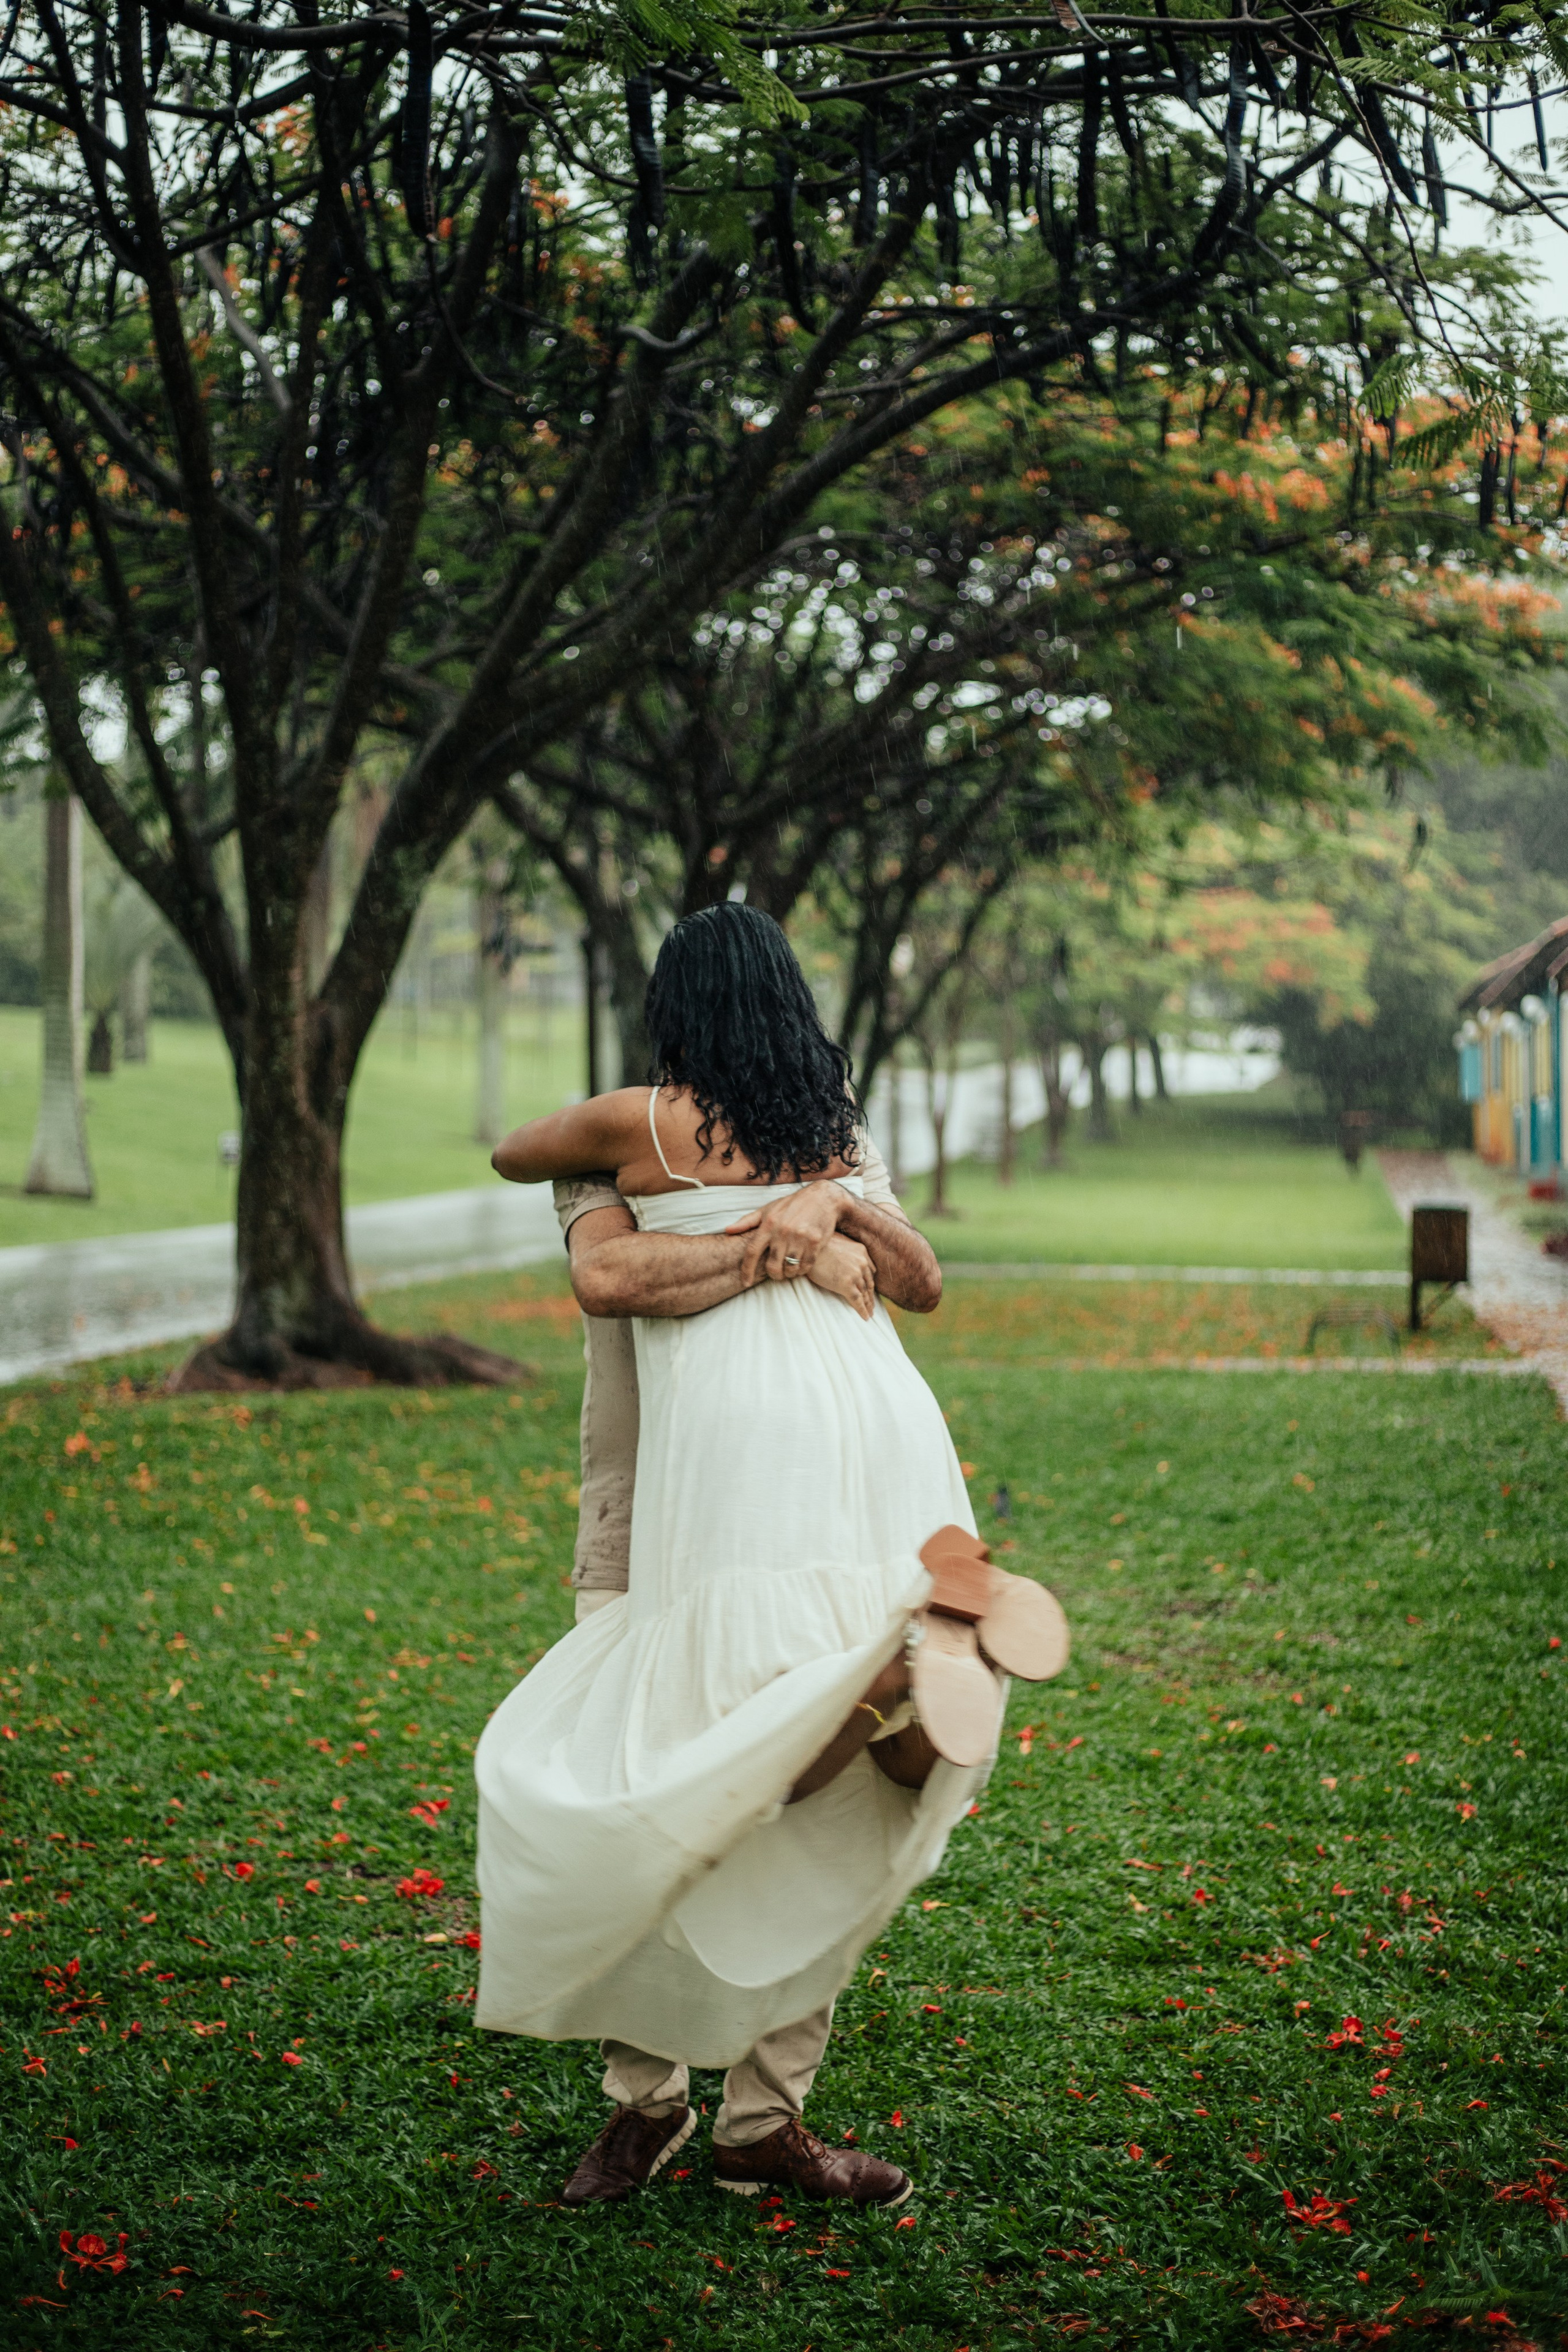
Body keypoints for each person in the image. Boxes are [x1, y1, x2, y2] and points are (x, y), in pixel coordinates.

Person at [475, 906, 1055, 2211]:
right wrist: (791, 1218)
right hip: (858, 1462)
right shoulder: (808, 1127)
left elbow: (515, 1147)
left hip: (780, 1479)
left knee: (710, 1757)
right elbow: (918, 1286)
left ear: (676, 1005)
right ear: (790, 1002)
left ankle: (702, 2116)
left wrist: (811, 1199)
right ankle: (731, 2111)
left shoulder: (664, 1122)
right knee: (752, 1757)